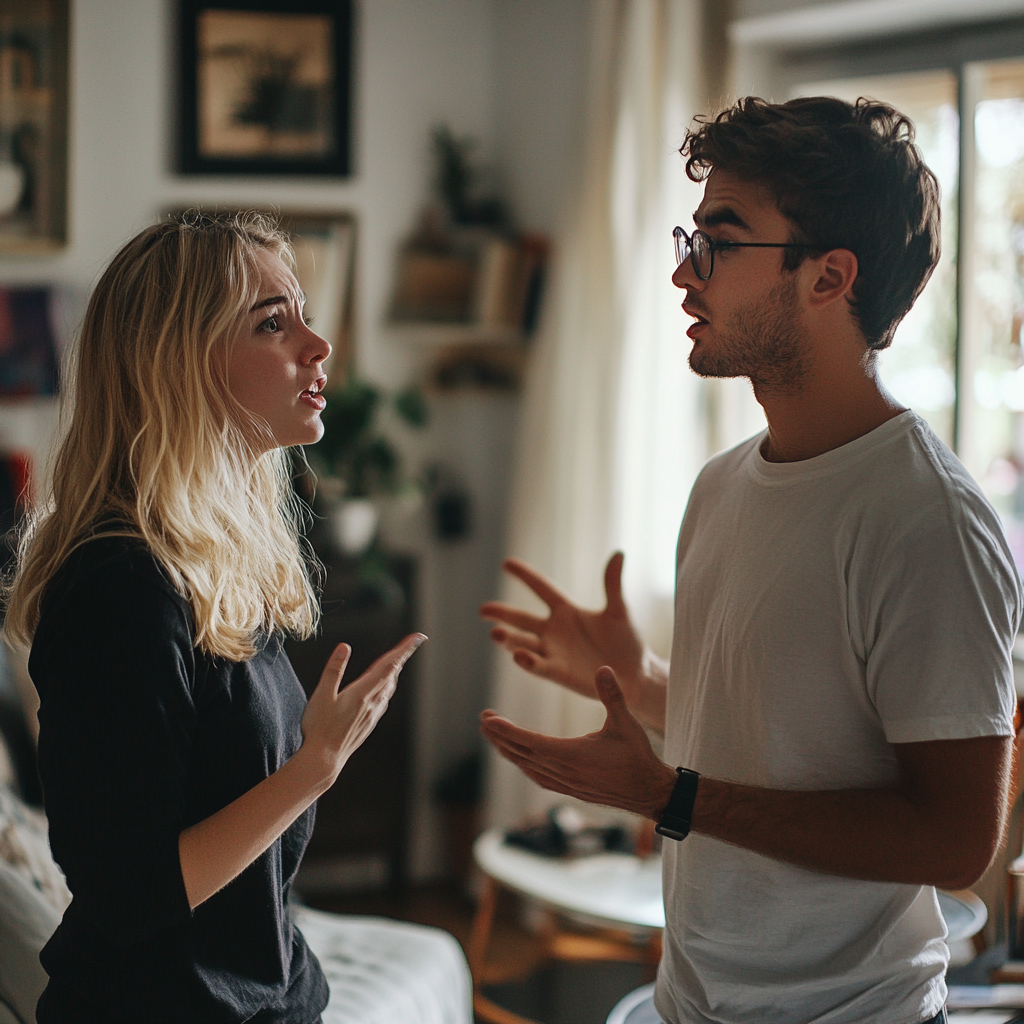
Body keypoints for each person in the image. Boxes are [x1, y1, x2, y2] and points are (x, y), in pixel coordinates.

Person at [480, 96, 1023, 1024]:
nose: (686, 276)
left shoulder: (925, 520)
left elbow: (954, 843)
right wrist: (638, 680)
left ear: (828, 277)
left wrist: (674, 797)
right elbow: (769, 740)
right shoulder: (722, 486)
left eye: (719, 244)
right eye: (691, 240)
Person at [2, 211, 424, 1024]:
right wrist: (313, 768)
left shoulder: (215, 564)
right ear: (180, 363)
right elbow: (129, 898)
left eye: (302, 311)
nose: (317, 344)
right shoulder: (117, 588)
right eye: (273, 322)